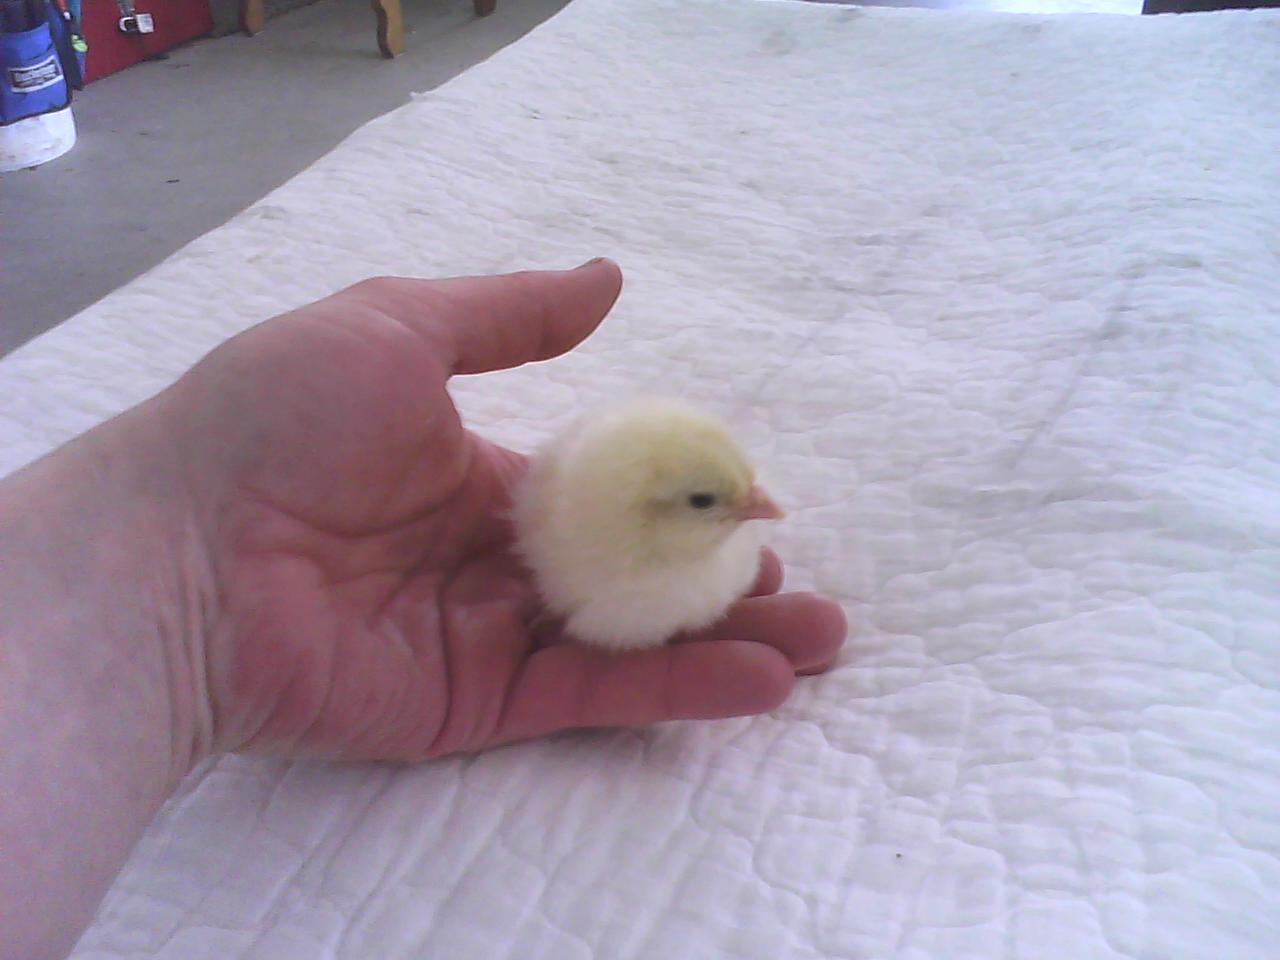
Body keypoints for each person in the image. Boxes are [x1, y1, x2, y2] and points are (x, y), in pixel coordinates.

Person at [0, 259, 846, 960]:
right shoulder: (607, 551)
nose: (758, 505)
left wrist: (170, 571)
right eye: (711, 501)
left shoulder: (636, 537)